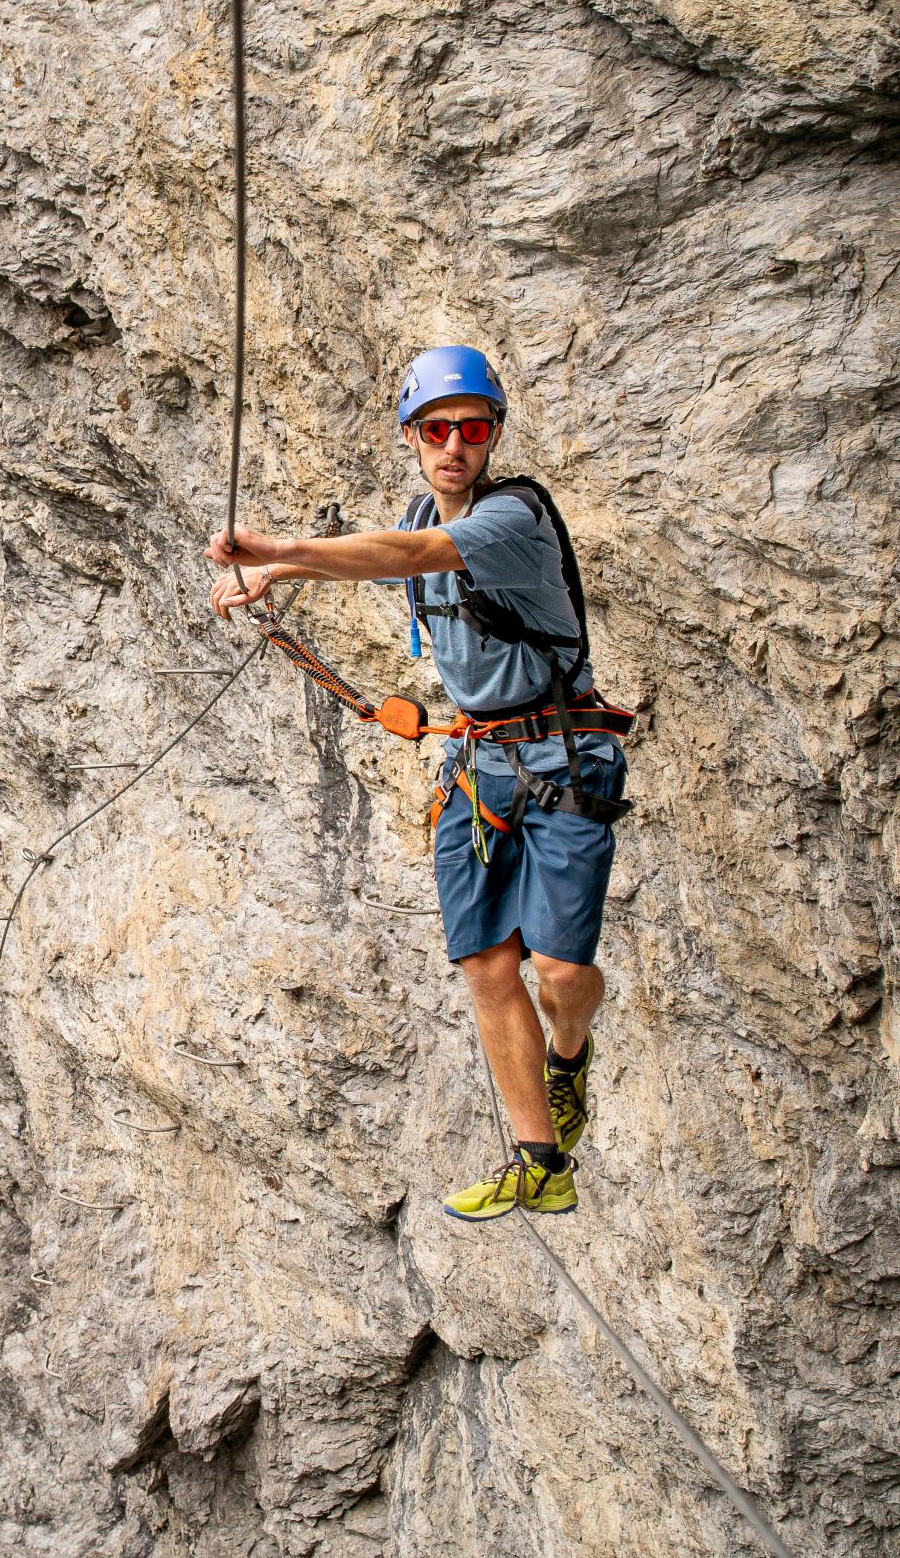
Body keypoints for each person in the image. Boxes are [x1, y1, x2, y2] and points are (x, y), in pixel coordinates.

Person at [204, 345, 630, 1221]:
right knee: (486, 965)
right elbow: (398, 548)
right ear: (412, 435)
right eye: (436, 429)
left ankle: (571, 1049)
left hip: (561, 756)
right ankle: (541, 1160)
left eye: (471, 429)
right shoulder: (414, 511)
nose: (453, 445)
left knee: (554, 971)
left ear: (494, 435)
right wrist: (279, 574)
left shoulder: (515, 517)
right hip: (478, 765)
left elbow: (416, 551)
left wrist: (281, 547)